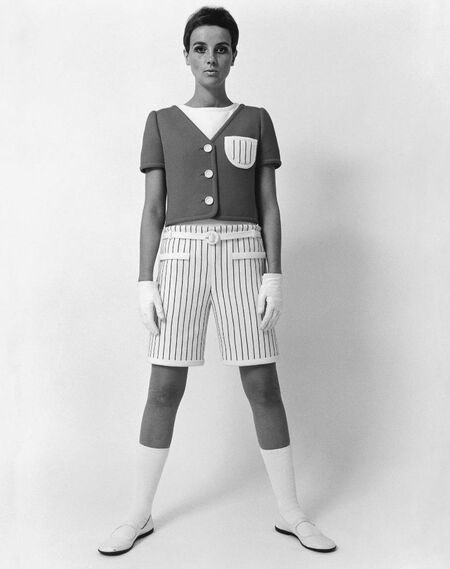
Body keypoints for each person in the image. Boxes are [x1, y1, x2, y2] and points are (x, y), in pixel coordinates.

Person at [98, 5, 337, 555]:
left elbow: (269, 205)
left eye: (221, 48)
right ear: (186, 55)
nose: (211, 58)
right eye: (201, 48)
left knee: (262, 384)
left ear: (233, 56)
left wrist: (273, 274)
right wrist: (145, 281)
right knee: (164, 386)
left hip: (243, 257)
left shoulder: (256, 120)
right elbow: (153, 209)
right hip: (179, 258)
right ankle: (138, 513)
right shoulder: (161, 121)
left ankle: (291, 512)